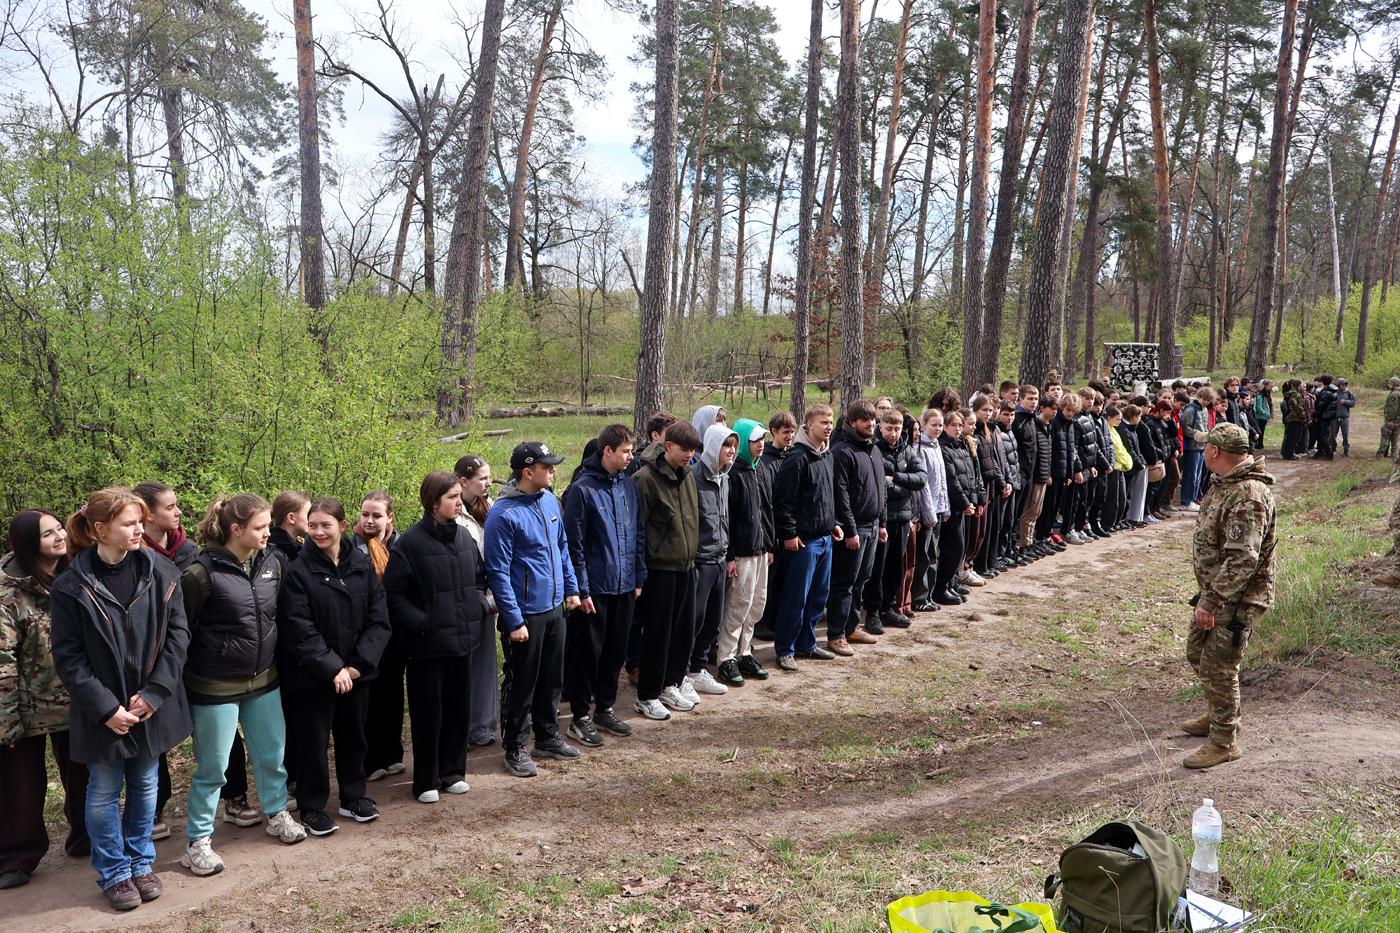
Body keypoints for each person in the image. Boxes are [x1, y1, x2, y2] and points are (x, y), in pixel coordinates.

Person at [49, 489, 192, 910]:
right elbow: (68, 657)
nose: (138, 530)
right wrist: (106, 709)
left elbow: (178, 636)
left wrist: (154, 693)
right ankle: (114, 872)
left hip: (148, 704)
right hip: (104, 710)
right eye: (128, 523)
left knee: (146, 785)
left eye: (140, 522)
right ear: (99, 529)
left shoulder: (161, 571)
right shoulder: (71, 585)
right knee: (104, 790)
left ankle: (140, 863)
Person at [180, 494, 305, 877]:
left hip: (264, 680)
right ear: (235, 529)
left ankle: (276, 814)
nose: (268, 533)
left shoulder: (272, 563)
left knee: (271, 756)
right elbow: (183, 631)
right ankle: (197, 842)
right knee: (213, 767)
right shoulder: (199, 574)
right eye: (260, 527)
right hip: (214, 686)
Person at [277, 498, 391, 837]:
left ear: (342, 526)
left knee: (354, 736)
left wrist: (357, 666)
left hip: (356, 674)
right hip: (312, 677)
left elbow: (379, 620)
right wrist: (332, 668)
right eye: (312, 525)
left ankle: (353, 797)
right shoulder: (298, 571)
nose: (318, 532)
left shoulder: (361, 564)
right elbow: (298, 627)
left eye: (325, 525)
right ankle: (312, 807)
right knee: (312, 744)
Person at [384, 473, 488, 800]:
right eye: (452, 497)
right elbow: (393, 595)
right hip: (426, 647)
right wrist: (422, 623)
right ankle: (426, 781)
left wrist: (477, 606)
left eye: (459, 496)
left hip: (462, 641)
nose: (459, 502)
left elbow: (479, 579)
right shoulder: (410, 543)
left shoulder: (464, 538)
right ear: (433, 502)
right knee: (428, 715)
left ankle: (453, 772)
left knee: (458, 711)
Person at [1, 510, 88, 891]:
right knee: (20, 785)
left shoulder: (78, 572)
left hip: (77, 698)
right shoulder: (8, 591)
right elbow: (3, 659)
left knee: (84, 775)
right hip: (26, 706)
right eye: (47, 533)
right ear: (27, 543)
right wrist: (6, 718)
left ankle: (86, 837)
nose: (59, 536)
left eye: (59, 528)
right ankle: (17, 857)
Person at [1182, 423, 1276, 769]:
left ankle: (1224, 741)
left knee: (1219, 666)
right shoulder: (1226, 483)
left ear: (1215, 451)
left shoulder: (1247, 495)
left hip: (1236, 599)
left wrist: (1212, 601)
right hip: (1217, 591)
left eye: (1206, 445)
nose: (1203, 450)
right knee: (1197, 651)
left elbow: (1242, 559)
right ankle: (1218, 711)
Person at [486, 443, 583, 778]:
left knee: (551, 678)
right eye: (547, 467)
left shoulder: (549, 500)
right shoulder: (503, 515)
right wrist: (513, 620)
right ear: (527, 472)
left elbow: (561, 547)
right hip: (525, 615)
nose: (553, 471)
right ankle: (515, 746)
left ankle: (547, 736)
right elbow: (498, 572)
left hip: (554, 607)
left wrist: (571, 588)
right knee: (522, 683)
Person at [133, 482, 209, 842]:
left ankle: (234, 795)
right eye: (170, 507)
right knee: (155, 735)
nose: (178, 512)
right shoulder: (134, 554)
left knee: (212, 727)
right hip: (155, 661)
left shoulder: (188, 551)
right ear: (148, 514)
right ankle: (156, 807)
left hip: (195, 655)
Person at [562, 426, 646, 745]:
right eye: (625, 451)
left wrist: (637, 577)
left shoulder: (628, 485)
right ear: (607, 451)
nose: (630, 457)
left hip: (624, 585)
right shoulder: (581, 490)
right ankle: (580, 716)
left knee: (615, 651)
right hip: (594, 589)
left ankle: (605, 708)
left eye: (632, 450)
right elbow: (575, 546)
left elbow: (637, 533)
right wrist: (581, 589)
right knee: (588, 654)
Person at [632, 421, 701, 716]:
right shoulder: (644, 479)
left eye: (693, 450)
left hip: (687, 565)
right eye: (685, 449)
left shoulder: (688, 475)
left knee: (683, 632)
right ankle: (647, 694)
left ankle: (671, 683)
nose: (690, 455)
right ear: (668, 445)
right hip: (659, 569)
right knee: (657, 634)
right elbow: (638, 530)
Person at [772, 404, 842, 671]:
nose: (829, 427)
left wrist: (833, 523)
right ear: (809, 425)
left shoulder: (827, 455)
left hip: (825, 538)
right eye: (823, 422)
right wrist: (789, 533)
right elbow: (783, 501)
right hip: (803, 542)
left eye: (831, 422)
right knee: (796, 598)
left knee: (818, 597)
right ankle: (785, 649)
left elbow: (827, 495)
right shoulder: (797, 458)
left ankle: (807, 643)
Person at [356, 492, 407, 782]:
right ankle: (370, 759)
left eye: (376, 515)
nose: (370, 521)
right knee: (369, 698)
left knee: (392, 694)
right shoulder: (351, 547)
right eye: (365, 514)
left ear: (389, 518)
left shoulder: (400, 546)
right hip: (365, 634)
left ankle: (392, 753)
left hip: (395, 633)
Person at [827, 400, 886, 654]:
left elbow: (880, 487)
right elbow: (841, 496)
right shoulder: (842, 451)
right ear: (852, 422)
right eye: (865, 420)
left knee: (862, 579)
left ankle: (851, 627)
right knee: (845, 583)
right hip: (855, 529)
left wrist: (882, 523)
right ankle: (836, 634)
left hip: (873, 526)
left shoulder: (873, 448)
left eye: (872, 419)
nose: (871, 424)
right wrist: (850, 530)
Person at [719, 419, 774, 686]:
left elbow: (767, 511)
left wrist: (770, 545)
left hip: (761, 550)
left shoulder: (760, 469)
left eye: (762, 439)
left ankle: (745, 652)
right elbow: (727, 519)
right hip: (741, 553)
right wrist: (730, 555)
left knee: (756, 605)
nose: (760, 445)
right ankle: (726, 657)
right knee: (737, 606)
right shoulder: (733, 474)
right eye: (754, 440)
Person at [687, 424, 740, 695]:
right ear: (712, 447)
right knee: (693, 622)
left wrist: (728, 556)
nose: (730, 451)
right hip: (700, 561)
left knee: (712, 622)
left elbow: (724, 519)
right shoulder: (694, 478)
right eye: (725, 446)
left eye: (733, 446)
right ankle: (682, 674)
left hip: (719, 559)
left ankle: (697, 670)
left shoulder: (725, 478)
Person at [453, 456, 502, 748]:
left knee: (485, 663)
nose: (488, 483)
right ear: (464, 481)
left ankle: (482, 726)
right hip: (461, 600)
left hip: (487, 598)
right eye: (482, 478)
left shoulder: (490, 507)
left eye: (488, 477)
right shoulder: (453, 511)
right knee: (462, 666)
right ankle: (460, 726)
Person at [866, 410, 925, 632]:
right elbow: (878, 485)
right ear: (880, 427)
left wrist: (897, 479)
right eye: (889, 429)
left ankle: (888, 607)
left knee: (895, 566)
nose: (893, 433)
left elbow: (921, 478)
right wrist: (902, 487)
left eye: (897, 429)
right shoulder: (874, 449)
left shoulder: (907, 450)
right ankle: (873, 611)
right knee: (878, 568)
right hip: (883, 519)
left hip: (903, 517)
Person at [754, 411, 797, 641]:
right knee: (769, 581)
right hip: (772, 530)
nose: (789, 436)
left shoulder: (792, 456)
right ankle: (763, 622)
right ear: (774, 432)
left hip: (789, 529)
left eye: (792, 432)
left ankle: (776, 618)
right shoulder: (765, 461)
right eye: (785, 432)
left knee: (784, 580)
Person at [935, 411, 979, 606]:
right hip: (952, 507)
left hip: (965, 505)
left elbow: (970, 475)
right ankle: (940, 587)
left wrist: (973, 500)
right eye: (953, 425)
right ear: (945, 426)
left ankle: (950, 583)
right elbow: (952, 480)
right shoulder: (944, 447)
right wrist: (964, 503)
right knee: (952, 548)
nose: (958, 429)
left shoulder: (961, 445)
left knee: (961, 548)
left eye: (960, 425)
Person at [912, 409, 949, 611]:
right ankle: (919, 597)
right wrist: (929, 513)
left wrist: (945, 507)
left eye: (940, 425)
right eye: (933, 425)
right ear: (924, 424)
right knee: (924, 556)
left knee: (934, 554)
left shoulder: (936, 446)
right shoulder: (920, 448)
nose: (938, 429)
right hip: (927, 512)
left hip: (939, 508)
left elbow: (942, 480)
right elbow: (924, 485)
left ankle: (929, 595)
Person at [268, 492, 311, 567]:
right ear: (291, 518)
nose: (312, 519)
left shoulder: (297, 549)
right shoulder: (274, 555)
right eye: (308, 515)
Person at [1279, 378, 1308, 460]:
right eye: (1302, 385)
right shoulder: (1296, 395)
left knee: (1291, 437)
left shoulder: (1291, 394)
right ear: (1299, 386)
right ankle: (1289, 454)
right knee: (1293, 437)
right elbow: (1298, 407)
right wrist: (1303, 416)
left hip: (1292, 418)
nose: (1303, 386)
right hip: (1295, 418)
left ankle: (1288, 453)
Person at [1313, 375, 1339, 460]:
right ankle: (1320, 452)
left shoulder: (1325, 393)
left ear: (1322, 382)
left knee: (1322, 435)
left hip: (1323, 416)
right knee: (1323, 434)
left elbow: (1321, 406)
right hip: (1329, 416)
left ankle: (1329, 453)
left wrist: (1315, 415)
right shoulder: (1333, 391)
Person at [1333, 377, 1356, 457]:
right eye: (1342, 384)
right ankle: (1333, 449)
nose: (1344, 385)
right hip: (1335, 417)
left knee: (1345, 435)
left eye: (1345, 384)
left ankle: (1346, 450)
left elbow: (1353, 403)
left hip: (1344, 417)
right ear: (1338, 385)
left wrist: (1345, 402)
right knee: (1333, 434)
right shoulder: (1334, 392)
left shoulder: (1348, 393)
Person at [1379, 377, 1400, 459]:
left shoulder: (1394, 394)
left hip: (1393, 420)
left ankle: (1381, 455)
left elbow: (1393, 408)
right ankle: (1393, 456)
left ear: (1394, 384)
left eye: (1390, 383)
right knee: (1395, 438)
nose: (1388, 385)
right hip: (1398, 420)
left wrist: (1390, 420)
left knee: (1385, 436)